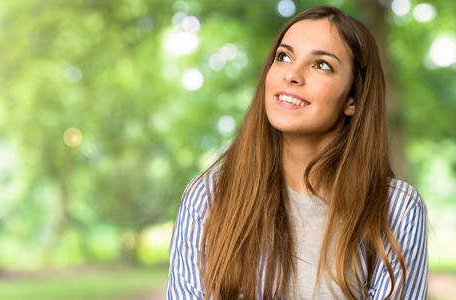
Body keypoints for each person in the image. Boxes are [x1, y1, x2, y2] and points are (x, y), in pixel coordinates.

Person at [166, 5, 428, 300]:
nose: (292, 74)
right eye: (284, 57)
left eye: (321, 65)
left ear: (353, 99)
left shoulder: (397, 210)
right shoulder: (207, 198)